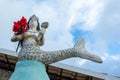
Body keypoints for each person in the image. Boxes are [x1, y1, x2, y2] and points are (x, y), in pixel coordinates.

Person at [9, 15, 103, 80]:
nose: (33, 22)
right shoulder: (25, 32)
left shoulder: (39, 32)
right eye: (31, 20)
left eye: (35, 21)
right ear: (28, 23)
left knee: (54, 55)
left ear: (37, 23)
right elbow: (13, 39)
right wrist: (19, 33)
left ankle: (76, 51)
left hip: (36, 53)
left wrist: (42, 32)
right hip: (25, 54)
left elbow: (40, 42)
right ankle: (75, 51)